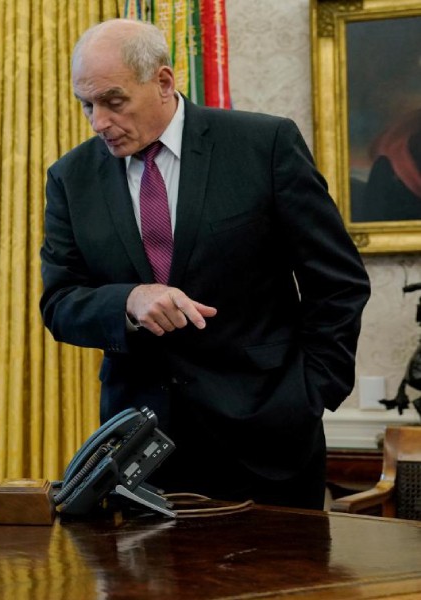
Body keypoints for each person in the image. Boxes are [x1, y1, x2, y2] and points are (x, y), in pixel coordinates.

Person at [40, 19, 371, 510]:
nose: (98, 123)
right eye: (86, 105)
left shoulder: (264, 145)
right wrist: (128, 300)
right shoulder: (71, 177)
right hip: (139, 457)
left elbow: (338, 282)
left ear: (164, 81)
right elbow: (60, 302)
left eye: (114, 101)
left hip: (269, 443)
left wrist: (310, 394)